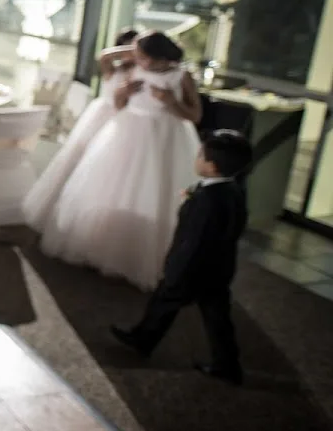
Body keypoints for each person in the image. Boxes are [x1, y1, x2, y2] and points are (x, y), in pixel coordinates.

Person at [39, 31, 202, 290]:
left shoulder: (181, 76)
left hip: (164, 138)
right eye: (138, 56)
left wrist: (171, 102)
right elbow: (118, 104)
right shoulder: (134, 69)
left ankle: (149, 257)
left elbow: (195, 115)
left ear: (160, 57)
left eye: (143, 56)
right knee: (111, 190)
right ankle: (103, 249)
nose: (138, 60)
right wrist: (124, 90)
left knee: (156, 193)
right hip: (127, 133)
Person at [112, 130, 252, 385]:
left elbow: (193, 241)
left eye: (200, 155)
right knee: (217, 316)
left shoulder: (207, 199)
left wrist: (175, 268)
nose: (196, 158)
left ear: (211, 167)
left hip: (192, 269)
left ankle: (143, 339)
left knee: (165, 301)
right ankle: (227, 364)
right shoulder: (234, 191)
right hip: (219, 268)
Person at [23, 28, 140, 230]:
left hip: (123, 124)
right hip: (100, 119)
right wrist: (131, 49)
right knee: (77, 162)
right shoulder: (112, 68)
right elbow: (103, 56)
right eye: (128, 46)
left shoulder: (141, 72)